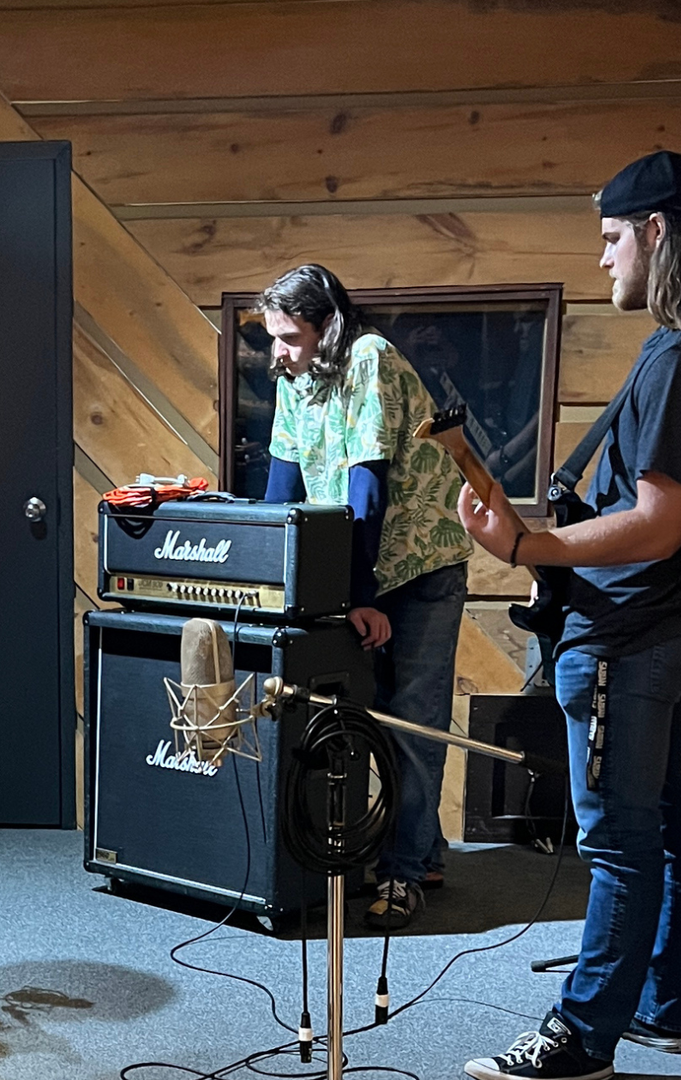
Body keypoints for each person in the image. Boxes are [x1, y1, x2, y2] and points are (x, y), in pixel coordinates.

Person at [458, 151, 681, 1080]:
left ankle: (584, 1035)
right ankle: (663, 1007)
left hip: (631, 638)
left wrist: (527, 550)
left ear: (657, 233)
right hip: (667, 627)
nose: (601, 260)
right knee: (674, 818)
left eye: (609, 239)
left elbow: (657, 521)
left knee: (619, 842)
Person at [258, 264, 473, 931]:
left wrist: (359, 596)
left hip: (419, 562)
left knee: (410, 720)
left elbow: (367, 489)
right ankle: (426, 849)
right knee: (365, 715)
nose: (278, 352)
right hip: (353, 567)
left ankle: (403, 874)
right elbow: (281, 483)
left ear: (328, 327)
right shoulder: (294, 376)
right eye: (272, 337)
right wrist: (265, 572)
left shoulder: (369, 358)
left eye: (290, 336)